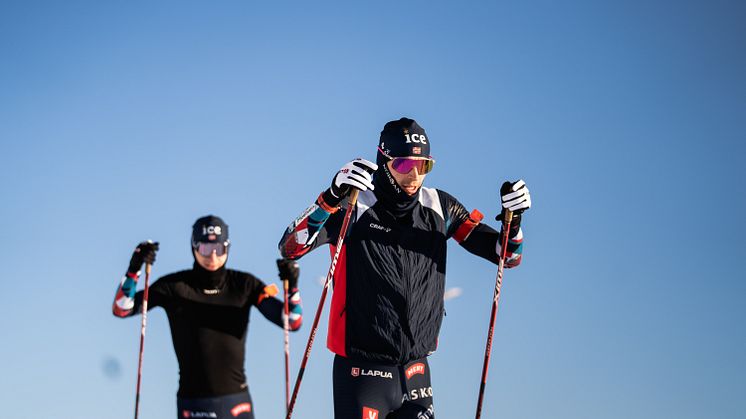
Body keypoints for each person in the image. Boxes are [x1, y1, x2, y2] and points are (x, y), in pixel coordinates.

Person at [278, 118, 531, 419]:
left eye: (423, 166)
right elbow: (292, 247)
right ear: (384, 162)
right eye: (403, 165)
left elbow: (505, 256)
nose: (413, 175)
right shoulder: (355, 206)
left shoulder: (440, 206)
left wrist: (513, 222)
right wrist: (331, 197)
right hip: (361, 370)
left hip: (416, 372)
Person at [113, 215, 303, 419]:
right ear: (194, 247)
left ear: (227, 248)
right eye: (205, 248)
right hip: (192, 403)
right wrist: (134, 268)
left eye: (219, 249)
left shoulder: (244, 285)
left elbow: (292, 321)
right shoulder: (174, 287)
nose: (212, 257)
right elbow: (122, 308)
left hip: (236, 402)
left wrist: (292, 286)